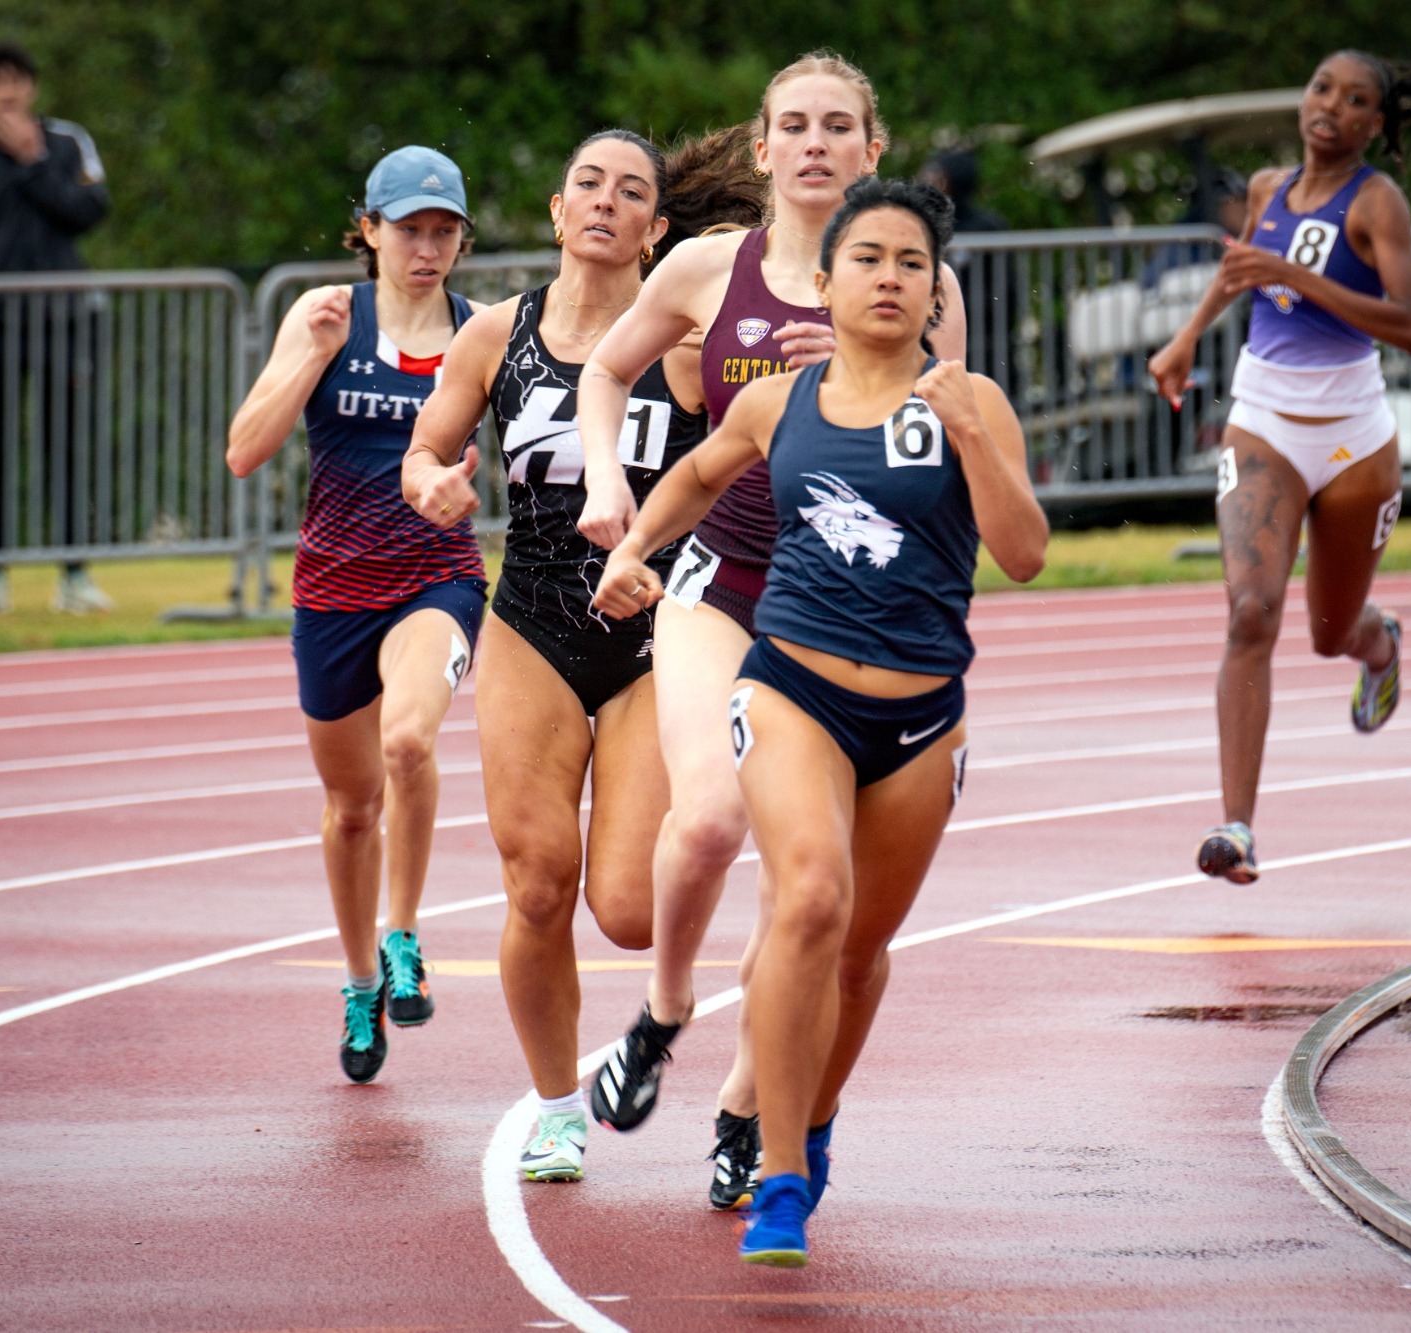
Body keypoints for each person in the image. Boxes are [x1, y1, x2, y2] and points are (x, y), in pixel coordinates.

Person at [592, 178, 1047, 1264]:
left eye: (908, 262)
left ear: (934, 286)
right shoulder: (777, 401)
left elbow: (1024, 554)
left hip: (920, 718)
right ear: (830, 281)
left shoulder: (970, 398)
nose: (888, 277)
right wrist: (628, 552)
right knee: (806, 896)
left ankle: (816, 1120)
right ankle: (780, 1175)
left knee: (857, 951)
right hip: (788, 687)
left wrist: (968, 437)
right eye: (867, 258)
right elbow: (699, 474)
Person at [573, 51, 968, 1212]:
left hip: (853, 607)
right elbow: (606, 369)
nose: (811, 144)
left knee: (814, 896)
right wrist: (613, 501)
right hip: (727, 577)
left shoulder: (914, 283)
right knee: (705, 819)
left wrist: (863, 377)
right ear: (760, 150)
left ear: (869, 151)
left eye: (834, 126)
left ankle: (748, 1105)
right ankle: (662, 1009)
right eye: (790, 125)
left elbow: (951, 434)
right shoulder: (707, 266)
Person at [403, 129, 726, 1183]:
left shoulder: (679, 342)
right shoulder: (497, 334)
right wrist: (432, 484)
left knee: (626, 907)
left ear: (656, 228)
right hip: (531, 624)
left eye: (629, 192)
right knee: (537, 883)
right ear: (553, 210)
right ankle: (554, 1110)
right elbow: (424, 450)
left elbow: (749, 449)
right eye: (586, 184)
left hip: (650, 637)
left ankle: (664, 1004)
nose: (604, 202)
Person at [1146, 51, 1411, 883]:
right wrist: (1185, 337)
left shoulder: (1378, 203)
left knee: (1328, 635)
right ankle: (1237, 828)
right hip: (1263, 421)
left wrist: (1297, 278)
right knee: (1252, 612)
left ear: (1377, 125)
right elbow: (1243, 265)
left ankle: (1377, 643)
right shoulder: (1267, 188)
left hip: (1355, 436)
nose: (1332, 107)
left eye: (1357, 100)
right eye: (1323, 88)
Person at [226, 147, 486, 1083]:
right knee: (349, 807)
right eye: (409, 229)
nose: (427, 249)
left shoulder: (478, 331)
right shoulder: (327, 314)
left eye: (444, 231)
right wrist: (311, 355)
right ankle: (357, 978)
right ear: (369, 229)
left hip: (437, 577)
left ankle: (405, 932)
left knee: (410, 741)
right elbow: (245, 451)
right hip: (333, 590)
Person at [0, 41, 111, 614]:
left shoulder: (67, 143)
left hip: (63, 324)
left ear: (31, 86)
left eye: (15, 79)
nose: (5, 90)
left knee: (65, 448)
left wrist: (34, 163)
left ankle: (74, 575)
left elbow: (89, 212)